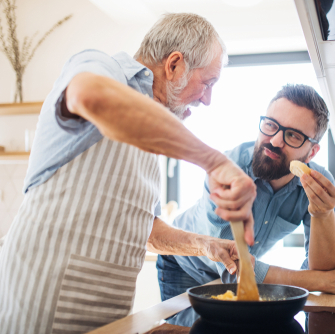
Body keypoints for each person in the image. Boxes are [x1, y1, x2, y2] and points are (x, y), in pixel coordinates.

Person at [0, 13, 257, 334]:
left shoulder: (153, 132)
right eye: (207, 84)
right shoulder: (102, 67)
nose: (207, 99)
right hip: (40, 299)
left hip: (109, 314)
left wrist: (204, 246)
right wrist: (215, 162)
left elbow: (145, 229)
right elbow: (91, 95)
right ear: (174, 64)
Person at [157, 84, 335, 304]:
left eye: (293, 135)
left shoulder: (319, 184)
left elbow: (331, 272)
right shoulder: (227, 170)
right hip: (185, 265)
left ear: (312, 152)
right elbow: (234, 267)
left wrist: (322, 215)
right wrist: (324, 282)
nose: (275, 141)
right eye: (270, 125)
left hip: (246, 279)